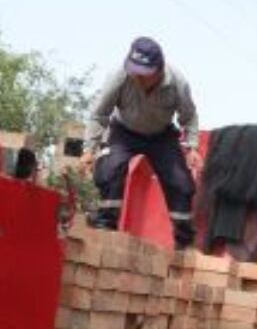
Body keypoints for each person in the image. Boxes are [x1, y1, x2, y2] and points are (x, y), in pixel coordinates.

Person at [82, 37, 201, 248]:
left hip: (161, 136)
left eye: (143, 73)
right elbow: (99, 114)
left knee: (181, 184)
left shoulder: (177, 83)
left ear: (158, 70)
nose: (136, 76)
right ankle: (105, 228)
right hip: (123, 132)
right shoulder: (119, 77)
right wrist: (88, 150)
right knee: (109, 170)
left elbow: (189, 117)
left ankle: (184, 244)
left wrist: (192, 147)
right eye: (134, 70)